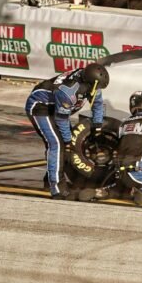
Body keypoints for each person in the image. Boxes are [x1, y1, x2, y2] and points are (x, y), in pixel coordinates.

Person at [25, 63, 108, 199]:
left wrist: (97, 128)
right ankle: (56, 187)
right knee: (57, 144)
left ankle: (50, 178)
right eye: (97, 88)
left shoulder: (92, 81)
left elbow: (97, 104)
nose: (98, 90)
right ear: (89, 83)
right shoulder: (68, 92)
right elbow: (62, 120)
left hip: (57, 107)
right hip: (40, 107)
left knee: (65, 145)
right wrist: (68, 142)